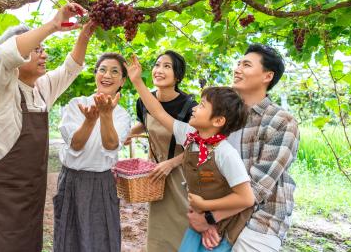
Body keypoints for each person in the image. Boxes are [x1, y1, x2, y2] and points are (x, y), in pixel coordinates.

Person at [0, 3, 96, 252]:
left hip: (28, 198)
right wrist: (53, 25)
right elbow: (4, 55)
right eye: (36, 49)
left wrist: (84, 35)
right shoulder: (1, 88)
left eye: (43, 50)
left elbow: (70, 69)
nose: (43, 54)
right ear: (19, 55)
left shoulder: (41, 89)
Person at [126, 56, 254, 251]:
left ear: (218, 121)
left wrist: (207, 207)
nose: (196, 108)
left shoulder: (225, 153)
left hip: (222, 224)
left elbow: (246, 199)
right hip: (198, 217)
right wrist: (137, 81)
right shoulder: (190, 135)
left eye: (202, 105)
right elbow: (158, 113)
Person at [188, 44, 300, 252]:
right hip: (216, 212)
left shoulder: (282, 122)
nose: (237, 69)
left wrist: (210, 218)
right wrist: (203, 215)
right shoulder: (222, 115)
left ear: (267, 76)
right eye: (238, 63)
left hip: (260, 221)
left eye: (246, 65)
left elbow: (256, 189)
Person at [53, 53, 131, 252]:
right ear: (96, 74)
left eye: (115, 71)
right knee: (68, 238)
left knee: (101, 239)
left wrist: (105, 115)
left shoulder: (122, 115)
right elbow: (76, 145)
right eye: (102, 69)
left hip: (102, 182)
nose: (107, 75)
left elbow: (111, 145)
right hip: (72, 180)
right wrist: (89, 121)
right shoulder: (76, 104)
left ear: (122, 81)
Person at [125, 51, 196, 251]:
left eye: (167, 66)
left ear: (178, 76)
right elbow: (145, 122)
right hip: (156, 173)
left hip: (181, 173)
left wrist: (171, 163)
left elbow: (198, 145)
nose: (159, 70)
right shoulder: (144, 101)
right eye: (157, 65)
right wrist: (128, 134)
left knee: (183, 224)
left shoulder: (189, 106)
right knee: (158, 231)